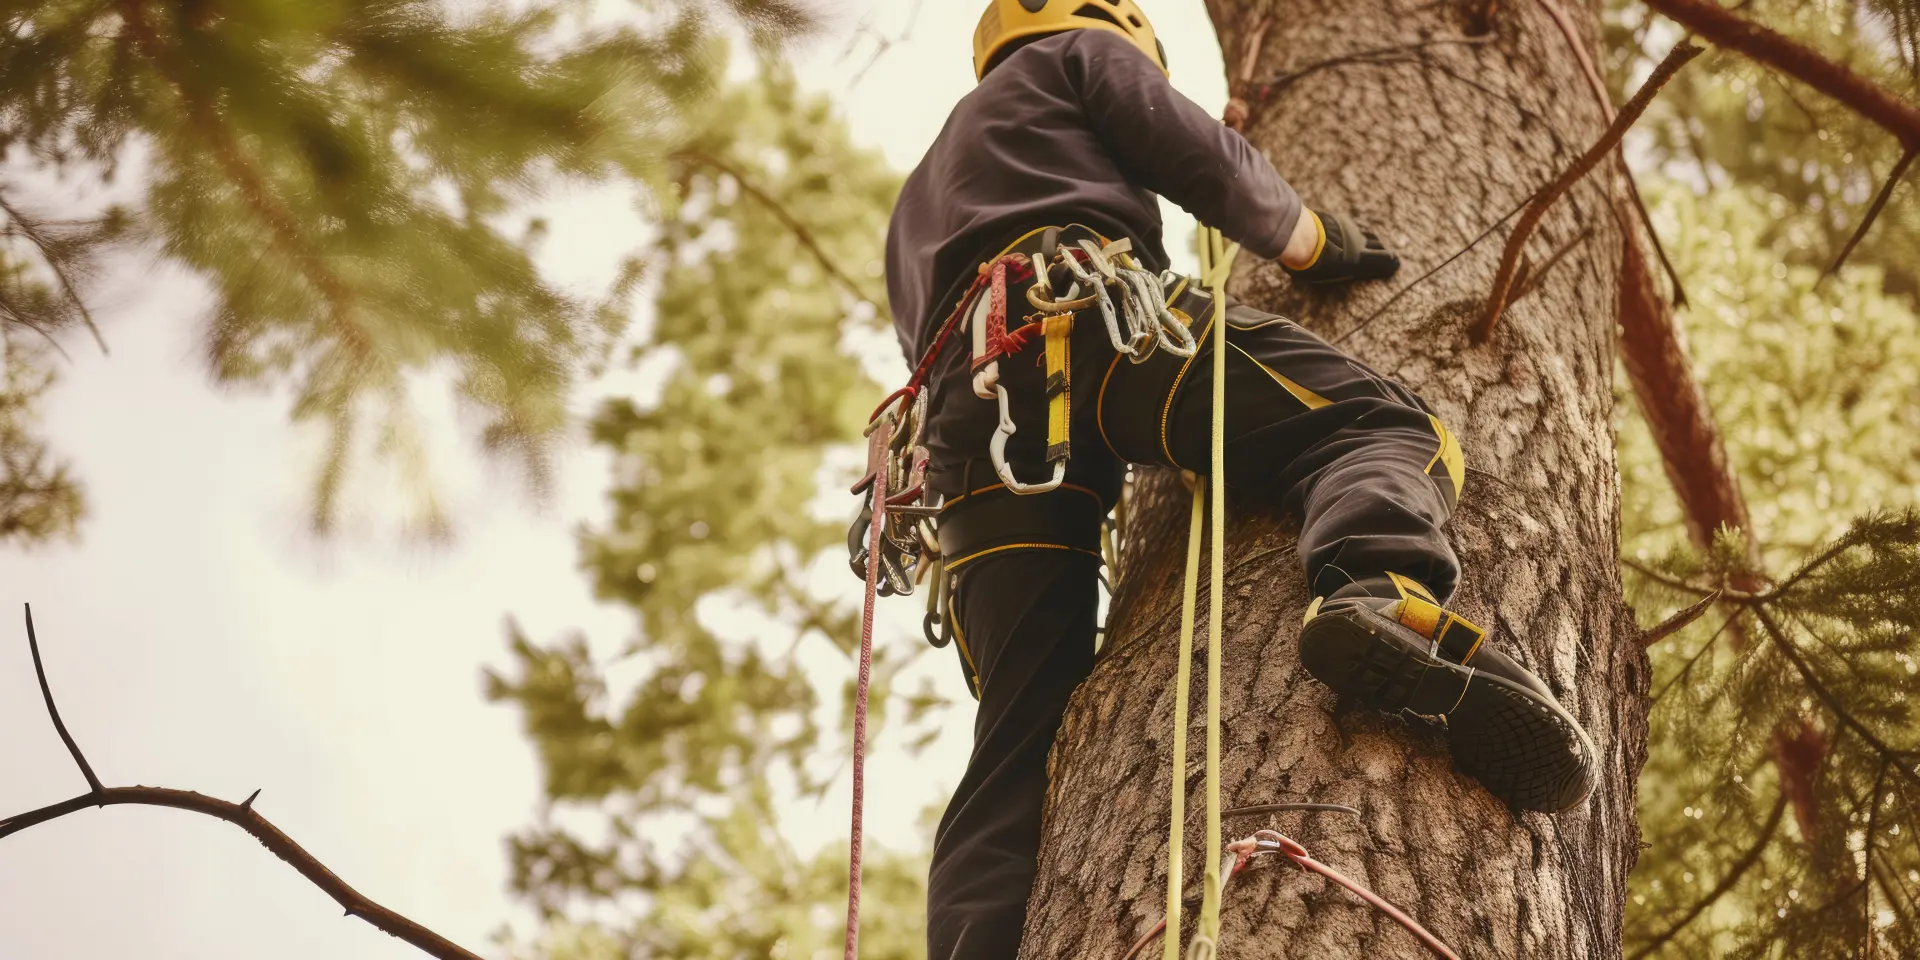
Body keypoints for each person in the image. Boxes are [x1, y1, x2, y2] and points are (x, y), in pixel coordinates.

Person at [880, 3, 1598, 957]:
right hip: (1081, 318)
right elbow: (1194, 151)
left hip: (968, 435)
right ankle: (1380, 594)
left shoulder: (919, 194)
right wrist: (1312, 240)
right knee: (1385, 425)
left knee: (1018, 728)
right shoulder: (1079, 55)